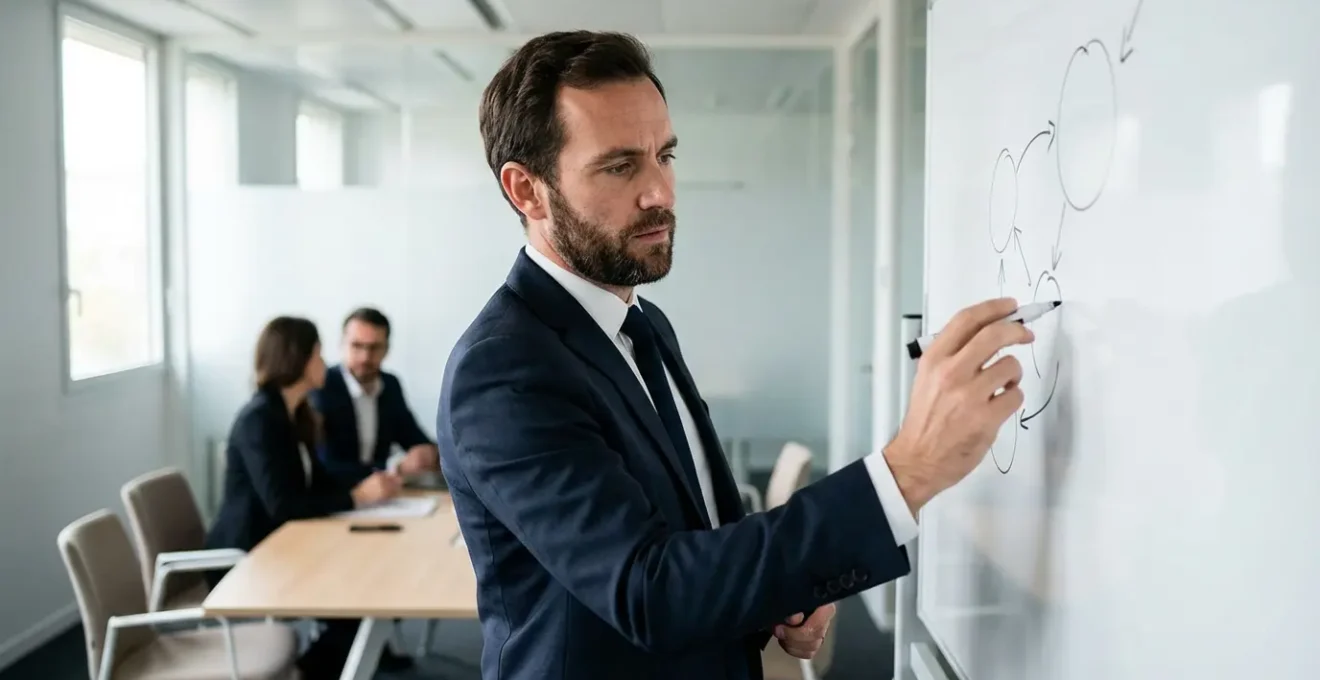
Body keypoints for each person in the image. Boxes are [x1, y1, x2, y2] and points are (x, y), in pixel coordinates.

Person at [436, 30, 1033, 680]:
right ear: (527, 190)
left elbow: (697, 531)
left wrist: (784, 592)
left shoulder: (645, 324)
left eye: (665, 155)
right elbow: (651, 592)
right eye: (619, 166)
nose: (659, 191)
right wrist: (905, 473)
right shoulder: (503, 371)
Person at [204, 316, 407, 677]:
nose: (324, 363)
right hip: (247, 557)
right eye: (317, 353)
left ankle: (347, 659)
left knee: (367, 579)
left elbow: (316, 480)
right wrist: (355, 498)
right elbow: (284, 505)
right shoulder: (260, 419)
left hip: (284, 546)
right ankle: (310, 669)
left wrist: (363, 490)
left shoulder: (294, 413)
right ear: (297, 359)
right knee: (354, 595)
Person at [310, 307, 440, 486]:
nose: (365, 357)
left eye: (374, 348)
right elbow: (323, 464)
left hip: (383, 499)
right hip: (336, 495)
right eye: (357, 346)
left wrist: (429, 453)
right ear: (342, 345)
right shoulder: (321, 387)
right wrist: (393, 466)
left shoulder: (390, 385)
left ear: (386, 350)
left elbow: (412, 437)